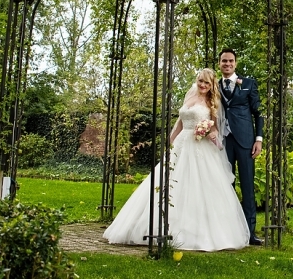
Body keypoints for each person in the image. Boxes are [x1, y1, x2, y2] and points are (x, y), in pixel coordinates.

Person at [102, 68, 249, 251]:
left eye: (206, 83)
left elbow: (215, 128)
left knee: (195, 185)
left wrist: (208, 132)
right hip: (181, 143)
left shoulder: (212, 103)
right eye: (200, 81)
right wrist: (170, 143)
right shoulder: (189, 97)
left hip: (199, 146)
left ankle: (196, 231)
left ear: (212, 85)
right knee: (166, 180)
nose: (202, 85)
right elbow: (180, 123)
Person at [218, 48, 264, 245]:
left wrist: (259, 139)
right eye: (223, 61)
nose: (227, 64)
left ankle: (250, 233)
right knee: (226, 186)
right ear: (219, 64)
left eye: (230, 61)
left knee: (247, 187)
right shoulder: (214, 85)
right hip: (223, 141)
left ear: (235, 63)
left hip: (246, 141)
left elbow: (259, 113)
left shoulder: (248, 84)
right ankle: (228, 231)